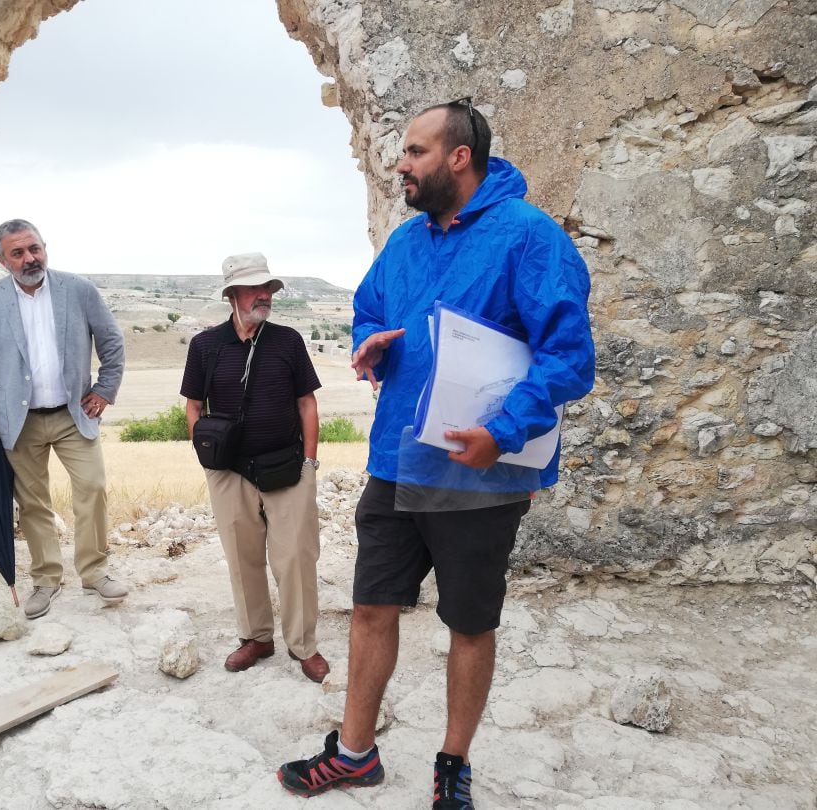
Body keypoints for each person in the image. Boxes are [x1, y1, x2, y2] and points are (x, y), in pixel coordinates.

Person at [277, 100, 595, 808]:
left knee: (469, 624)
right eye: (401, 152)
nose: (401, 164)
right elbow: (369, 306)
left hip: (480, 478)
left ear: (459, 157)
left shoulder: (530, 238)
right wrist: (367, 343)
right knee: (368, 609)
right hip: (395, 462)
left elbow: (570, 358)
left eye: (415, 151)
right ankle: (355, 755)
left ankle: (453, 764)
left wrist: (504, 431)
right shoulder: (406, 241)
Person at [0, 219, 127, 620]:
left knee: (93, 487)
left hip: (73, 414)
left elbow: (112, 342)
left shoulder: (78, 290)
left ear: (44, 247)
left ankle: (94, 572)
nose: (29, 258)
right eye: (18, 252)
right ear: (2, 260)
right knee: (32, 504)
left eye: (34, 248)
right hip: (18, 421)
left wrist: (104, 390)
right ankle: (46, 580)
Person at [180, 253, 330, 683]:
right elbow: (193, 406)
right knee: (242, 557)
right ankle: (256, 638)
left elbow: (307, 402)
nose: (264, 295)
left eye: (268, 288)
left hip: (288, 464)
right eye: (254, 288)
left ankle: (304, 646)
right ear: (232, 295)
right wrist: (209, 462)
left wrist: (310, 462)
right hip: (230, 473)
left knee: (296, 558)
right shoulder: (205, 346)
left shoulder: (288, 341)